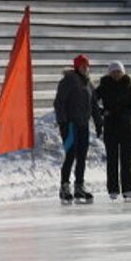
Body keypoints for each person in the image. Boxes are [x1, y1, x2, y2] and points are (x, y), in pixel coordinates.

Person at [53, 54, 103, 204]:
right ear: (76, 67)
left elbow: (94, 105)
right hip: (70, 125)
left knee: (82, 155)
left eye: (87, 66)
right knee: (71, 154)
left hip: (83, 125)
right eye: (82, 66)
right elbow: (59, 102)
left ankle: (79, 187)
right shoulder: (68, 81)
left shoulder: (88, 84)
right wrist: (63, 122)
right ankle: (64, 187)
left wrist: (99, 123)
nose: (85, 68)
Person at [92, 61, 131, 201]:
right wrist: (102, 112)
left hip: (126, 127)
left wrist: (125, 113)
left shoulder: (128, 85)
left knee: (126, 159)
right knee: (112, 159)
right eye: (113, 71)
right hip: (111, 127)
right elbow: (92, 101)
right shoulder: (104, 85)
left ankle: (128, 189)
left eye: (118, 71)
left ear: (122, 72)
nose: (116, 74)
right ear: (109, 73)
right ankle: (113, 189)